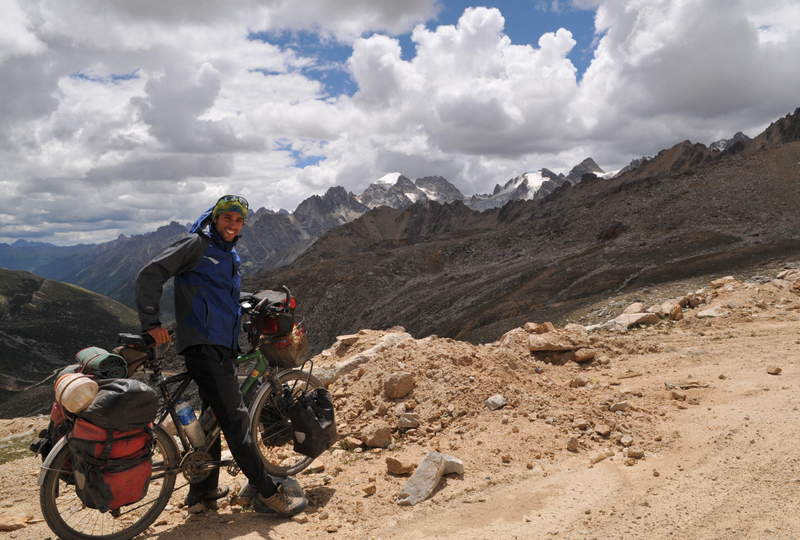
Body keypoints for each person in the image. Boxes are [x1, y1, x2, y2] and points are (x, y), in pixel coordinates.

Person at [135, 194, 306, 517]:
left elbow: (216, 294)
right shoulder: (196, 244)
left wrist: (249, 300)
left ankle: (203, 491)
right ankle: (269, 494)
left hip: (220, 345)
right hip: (204, 345)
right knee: (237, 419)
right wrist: (151, 323)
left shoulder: (226, 254)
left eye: (239, 220)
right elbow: (151, 273)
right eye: (227, 217)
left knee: (213, 417)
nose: (233, 224)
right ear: (215, 218)